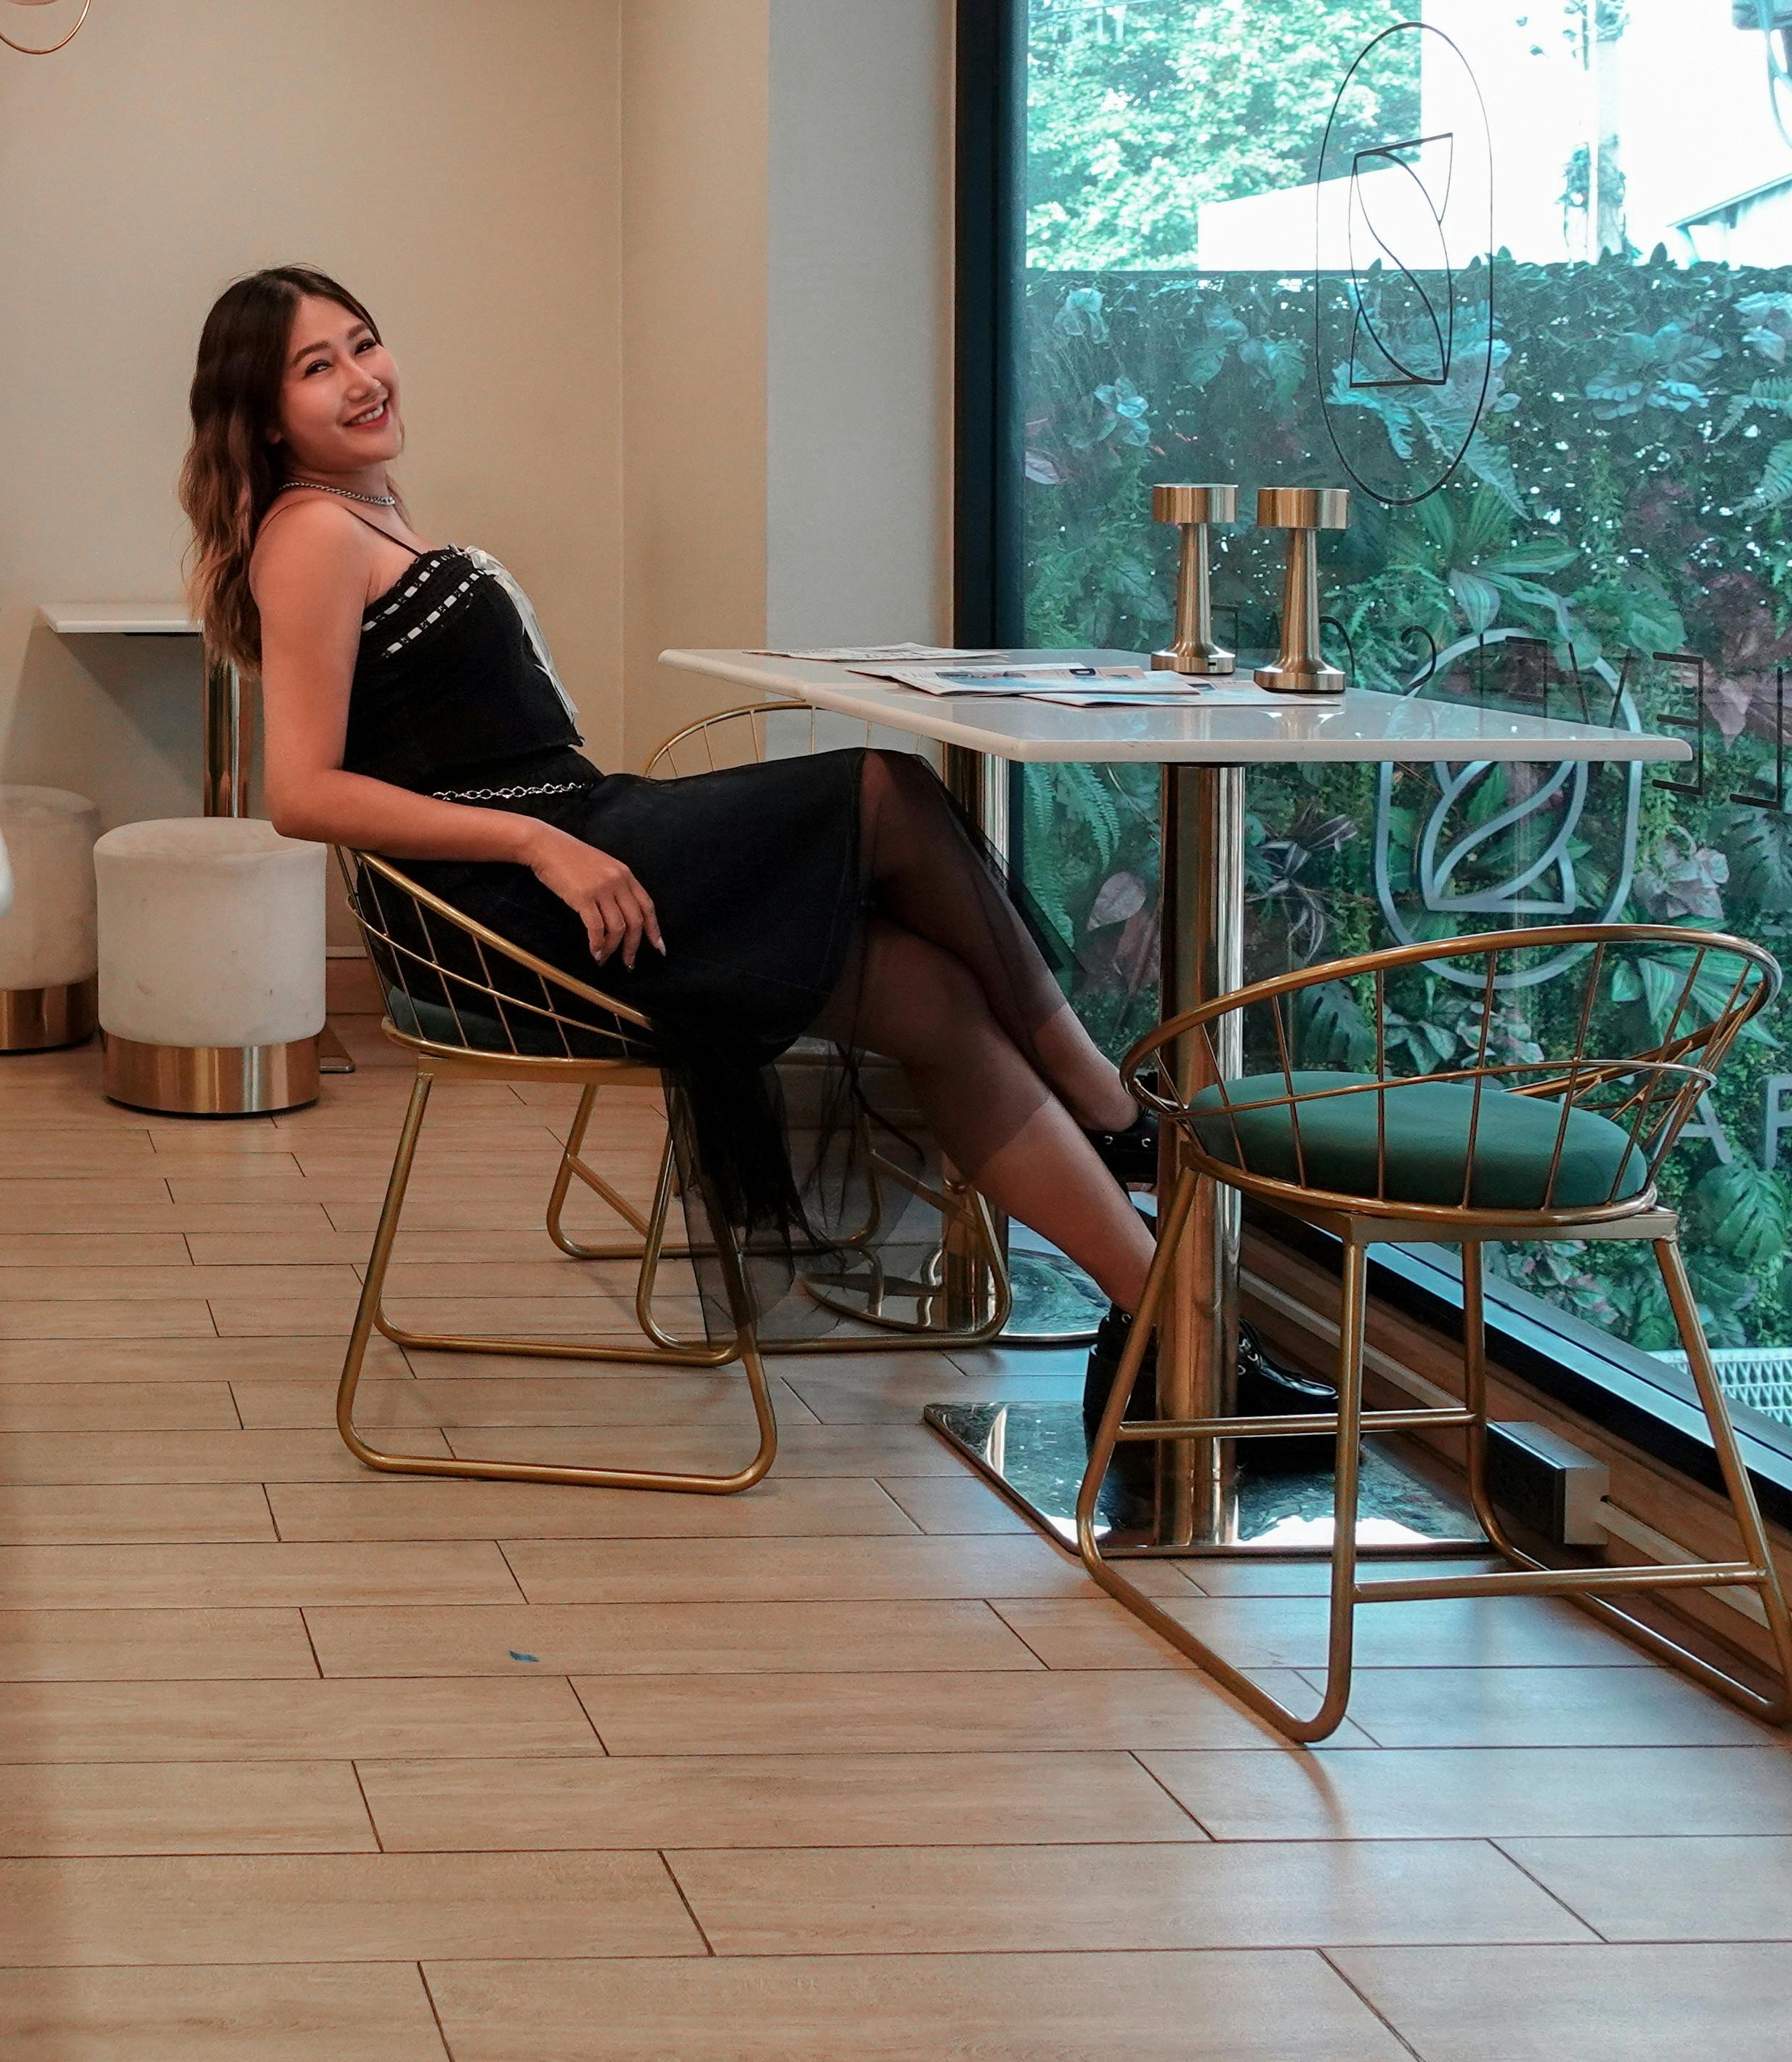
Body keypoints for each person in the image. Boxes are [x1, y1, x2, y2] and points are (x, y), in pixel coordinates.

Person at [180, 263, 1166, 1401]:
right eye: (319, 367)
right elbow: (301, 794)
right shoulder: (311, 533)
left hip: (572, 834)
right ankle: (1109, 1106)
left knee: (935, 999)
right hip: (509, 903)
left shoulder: (366, 509)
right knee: (882, 790)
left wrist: (558, 835)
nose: (362, 378)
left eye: (364, 343)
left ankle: (1168, 1330)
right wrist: (541, 846)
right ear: (266, 418)